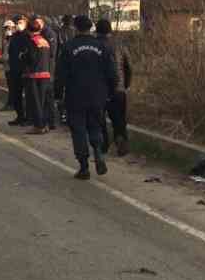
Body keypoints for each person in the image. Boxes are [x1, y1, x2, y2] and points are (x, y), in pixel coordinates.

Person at [55, 15, 119, 179]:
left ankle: (84, 167)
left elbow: (60, 74)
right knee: (95, 125)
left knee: (78, 129)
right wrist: (111, 92)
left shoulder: (69, 47)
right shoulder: (102, 46)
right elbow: (112, 73)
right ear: (90, 28)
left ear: (75, 28)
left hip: (75, 95)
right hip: (97, 94)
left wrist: (58, 95)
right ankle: (97, 151)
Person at [96, 18, 134, 156]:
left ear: (96, 30)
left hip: (99, 89)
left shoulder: (94, 45)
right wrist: (126, 84)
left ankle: (103, 144)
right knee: (119, 119)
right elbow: (128, 66)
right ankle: (121, 141)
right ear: (110, 30)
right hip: (118, 88)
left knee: (99, 118)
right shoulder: (119, 45)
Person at [22, 16, 56, 134]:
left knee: (36, 102)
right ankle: (45, 124)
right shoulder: (44, 41)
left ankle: (38, 126)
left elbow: (30, 57)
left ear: (29, 30)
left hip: (35, 75)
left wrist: (23, 56)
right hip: (45, 74)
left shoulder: (31, 41)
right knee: (44, 102)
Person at [6, 17, 32, 124]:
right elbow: (11, 52)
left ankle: (29, 118)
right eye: (17, 23)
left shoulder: (28, 36)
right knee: (16, 94)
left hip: (25, 70)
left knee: (29, 95)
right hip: (14, 69)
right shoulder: (14, 36)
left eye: (20, 23)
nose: (18, 25)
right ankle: (20, 116)